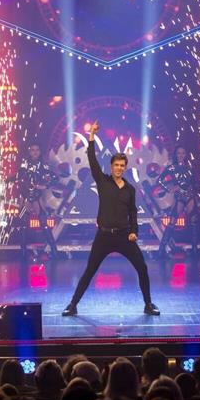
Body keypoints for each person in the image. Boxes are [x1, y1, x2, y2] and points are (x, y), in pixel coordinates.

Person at [62, 121, 160, 316]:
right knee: (89, 271)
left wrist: (134, 232)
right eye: (116, 165)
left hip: (124, 236)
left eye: (122, 165)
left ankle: (148, 304)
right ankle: (72, 305)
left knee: (142, 268)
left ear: (125, 167)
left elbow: (133, 212)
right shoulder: (103, 181)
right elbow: (91, 160)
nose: (119, 168)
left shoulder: (130, 189)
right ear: (112, 166)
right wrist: (91, 137)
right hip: (104, 236)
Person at [12, 143, 61, 259]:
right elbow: (19, 177)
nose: (34, 152)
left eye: (37, 150)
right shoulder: (25, 164)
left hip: (37, 199)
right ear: (29, 152)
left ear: (40, 151)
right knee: (23, 224)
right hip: (25, 197)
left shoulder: (43, 165)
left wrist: (44, 186)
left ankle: (54, 251)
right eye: (32, 150)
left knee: (44, 223)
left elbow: (55, 178)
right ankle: (23, 253)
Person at [156, 145, 199, 256]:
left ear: (186, 155)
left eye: (183, 153)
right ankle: (161, 251)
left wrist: (193, 189)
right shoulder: (171, 168)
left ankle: (195, 250)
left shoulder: (190, 167)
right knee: (172, 222)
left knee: (193, 222)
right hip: (179, 198)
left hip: (190, 197)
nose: (181, 155)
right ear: (176, 154)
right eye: (179, 153)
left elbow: (196, 182)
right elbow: (160, 180)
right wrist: (169, 188)